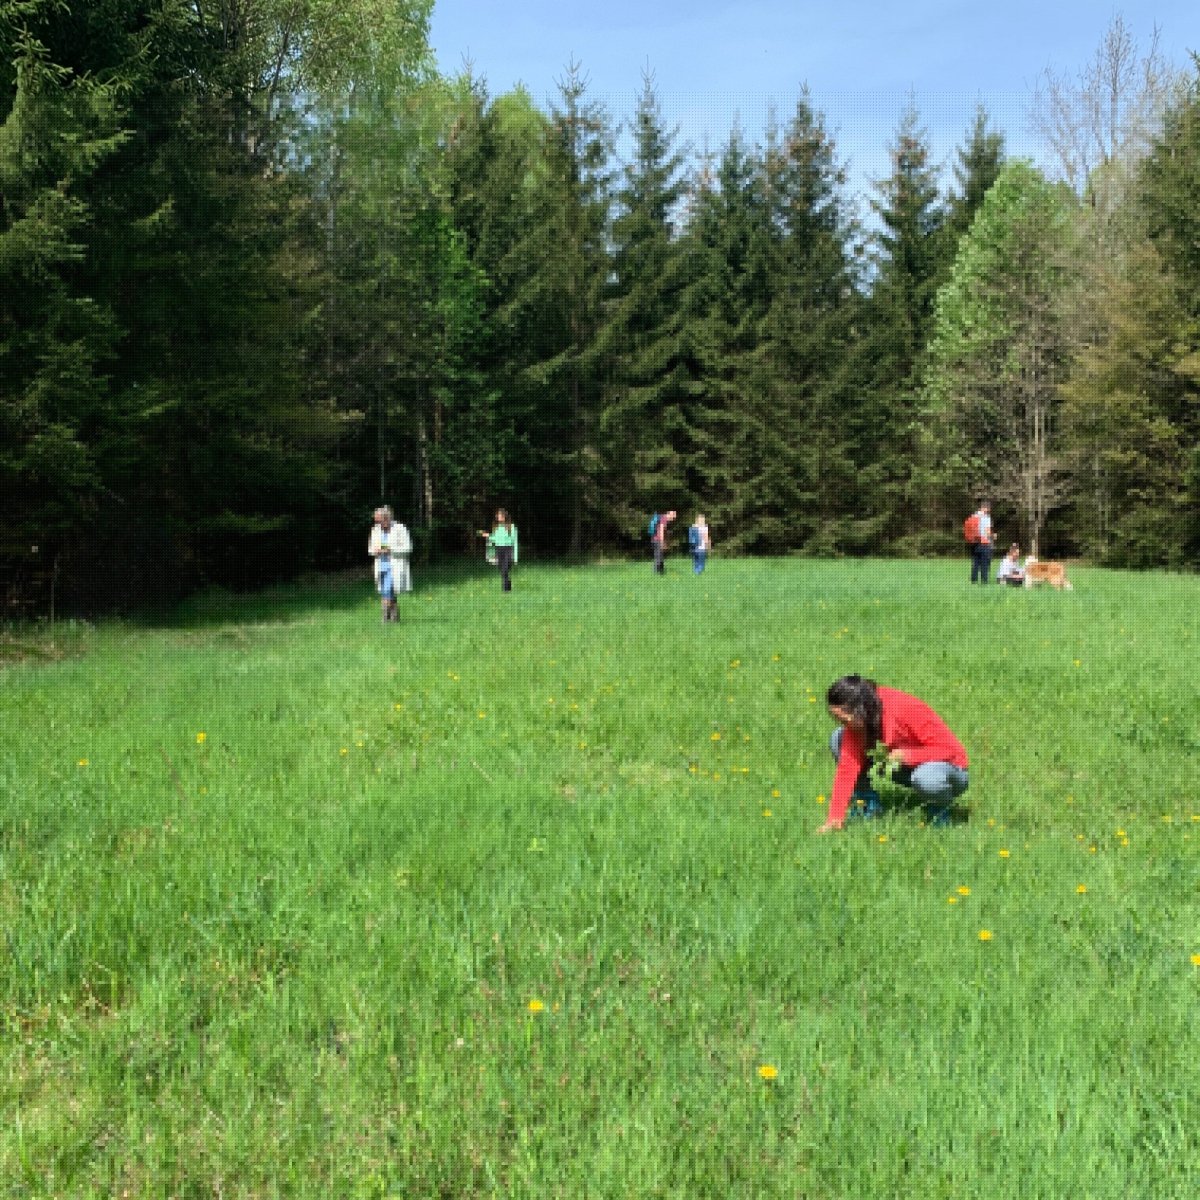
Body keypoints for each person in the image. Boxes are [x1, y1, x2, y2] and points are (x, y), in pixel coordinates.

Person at [817, 674, 969, 833]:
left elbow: (951, 751)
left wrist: (907, 756)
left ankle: (940, 813)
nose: (843, 724)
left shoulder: (904, 708)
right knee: (838, 738)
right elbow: (847, 767)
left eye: (844, 720)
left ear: (860, 710)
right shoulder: (859, 719)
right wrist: (835, 818)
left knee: (927, 778)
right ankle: (866, 804)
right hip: (903, 766)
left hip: (951, 771)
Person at [368, 506, 403, 622]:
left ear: (386, 519)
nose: (378, 523)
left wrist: (390, 549)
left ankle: (384, 619)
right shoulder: (375, 530)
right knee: (386, 592)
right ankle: (395, 618)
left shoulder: (398, 528)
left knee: (387, 591)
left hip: (393, 565)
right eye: (376, 521)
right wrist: (376, 550)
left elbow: (406, 547)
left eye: (380, 520)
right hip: (380, 565)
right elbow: (371, 549)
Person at [480, 509, 518, 592]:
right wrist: (488, 536)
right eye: (498, 515)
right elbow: (494, 538)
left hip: (508, 549)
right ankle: (508, 585)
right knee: (502, 570)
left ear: (505, 516)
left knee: (505, 569)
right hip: (499, 549)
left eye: (500, 515)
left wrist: (515, 557)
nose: (498, 517)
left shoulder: (511, 527)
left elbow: (514, 541)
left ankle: (505, 590)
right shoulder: (496, 527)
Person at [969, 501, 994, 584]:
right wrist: (993, 536)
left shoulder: (974, 516)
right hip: (984, 543)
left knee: (975, 562)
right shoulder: (986, 517)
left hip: (974, 543)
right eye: (988, 508)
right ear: (986, 508)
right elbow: (987, 531)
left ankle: (973, 580)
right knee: (984, 563)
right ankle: (984, 581)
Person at [651, 509, 676, 573]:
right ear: (669, 514)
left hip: (655, 539)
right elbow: (661, 530)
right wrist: (662, 542)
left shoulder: (663, 518)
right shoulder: (664, 519)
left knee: (659, 556)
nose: (673, 518)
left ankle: (661, 572)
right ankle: (657, 572)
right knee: (659, 557)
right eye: (673, 517)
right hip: (658, 540)